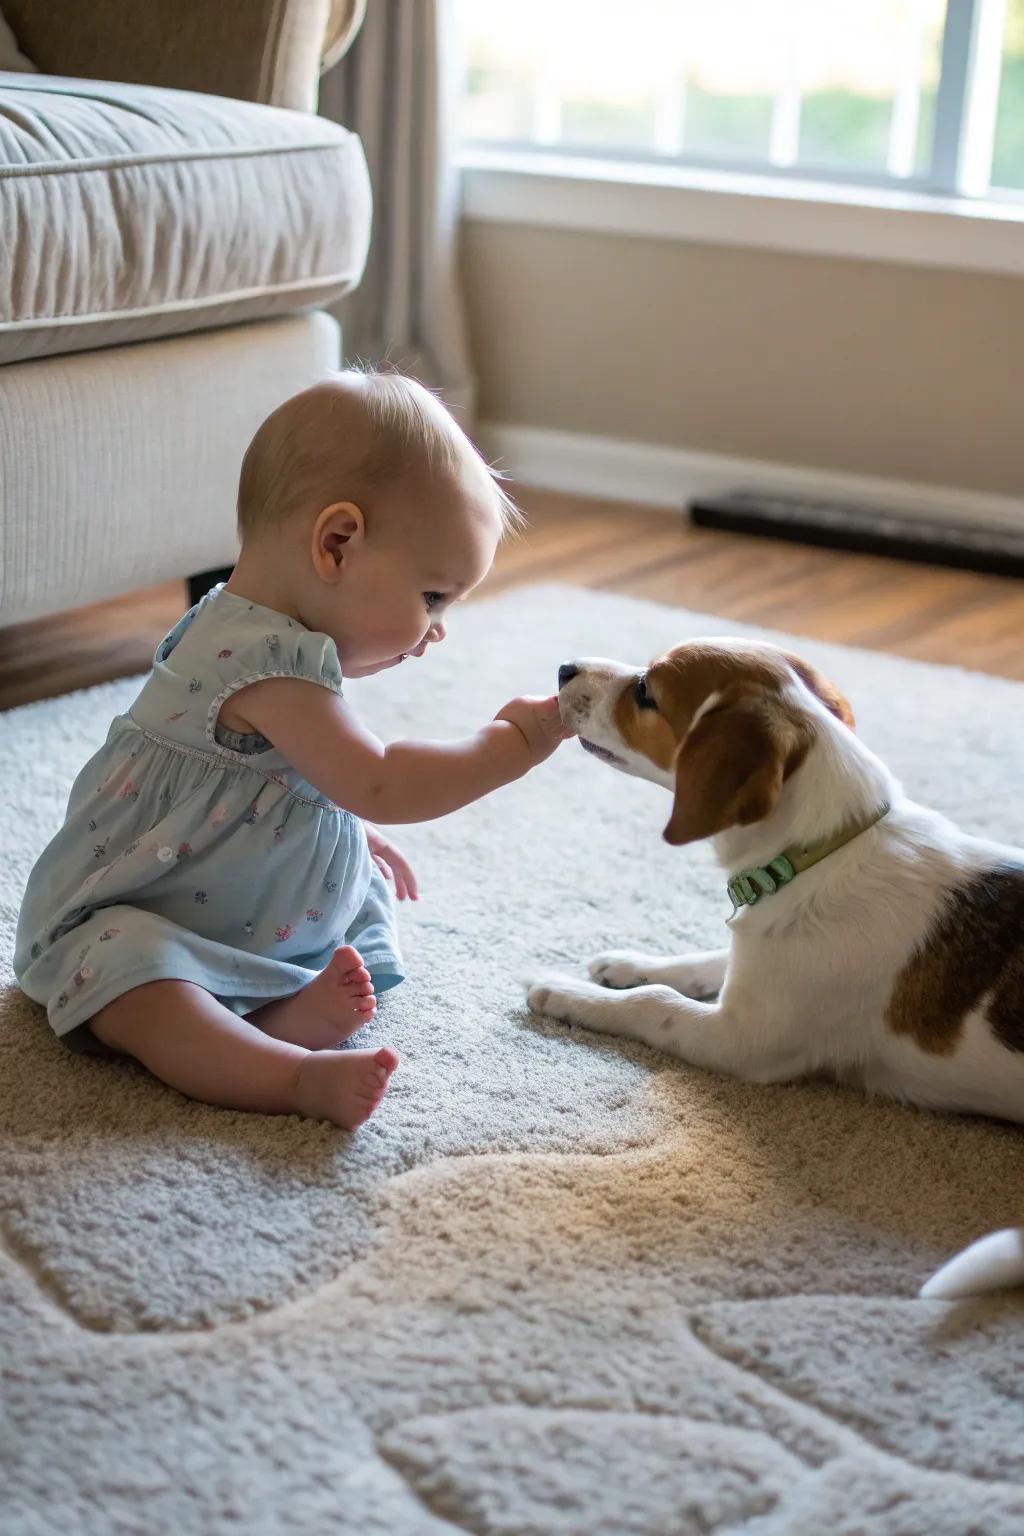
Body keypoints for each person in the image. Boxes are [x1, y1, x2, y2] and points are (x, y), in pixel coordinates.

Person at [15, 371, 567, 1129]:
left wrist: (339, 835)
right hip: (146, 907)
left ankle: (264, 1017)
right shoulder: (261, 661)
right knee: (134, 975)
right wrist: (517, 744)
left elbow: (278, 778)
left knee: (361, 900)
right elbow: (381, 785)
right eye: (433, 597)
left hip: (233, 888)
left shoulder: (266, 631)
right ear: (337, 544)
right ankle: (289, 1074)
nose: (438, 629)